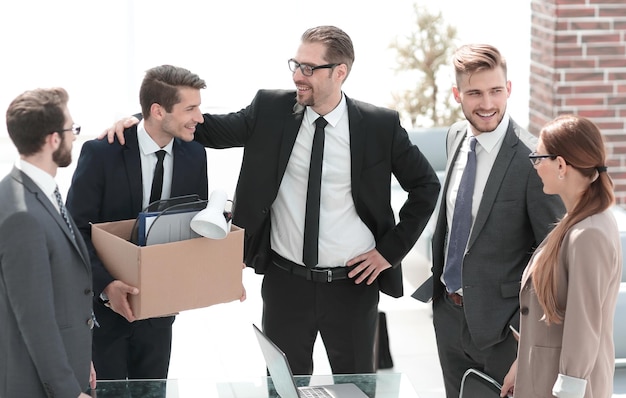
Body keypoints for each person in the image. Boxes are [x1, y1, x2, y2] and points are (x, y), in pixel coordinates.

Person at [104, 25, 441, 375]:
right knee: (282, 386)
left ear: (340, 72)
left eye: (309, 68)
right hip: (285, 284)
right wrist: (140, 120)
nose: (298, 75)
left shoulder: (379, 126)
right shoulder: (271, 109)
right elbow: (202, 127)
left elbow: (426, 186)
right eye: (296, 64)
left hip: (353, 286)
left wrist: (389, 252)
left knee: (356, 385)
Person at [412, 44, 566, 397]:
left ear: (508, 89)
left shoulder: (533, 160)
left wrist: (525, 340)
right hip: (449, 318)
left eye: (496, 91)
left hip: (504, 333)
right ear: (457, 94)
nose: (487, 104)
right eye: (475, 93)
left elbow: (553, 260)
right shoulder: (455, 136)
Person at [66, 65, 210, 381]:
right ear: (158, 111)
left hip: (161, 314)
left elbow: (192, 227)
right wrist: (106, 286)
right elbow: (75, 230)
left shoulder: (195, 156)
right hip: (105, 312)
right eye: (190, 108)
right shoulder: (101, 153)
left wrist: (217, 268)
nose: (199, 117)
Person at [500, 115, 622, 398]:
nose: (535, 167)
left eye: (538, 157)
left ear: (561, 165)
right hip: (544, 379)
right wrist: (523, 364)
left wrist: (568, 389)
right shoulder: (578, 223)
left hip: (565, 389)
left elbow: (584, 323)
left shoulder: (587, 233)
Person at [0, 87, 96, 397]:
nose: (74, 137)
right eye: (72, 130)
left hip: (64, 368)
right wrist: (69, 390)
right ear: (53, 139)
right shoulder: (21, 215)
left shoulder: (38, 192)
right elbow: (35, 318)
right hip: (38, 385)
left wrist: (81, 360)